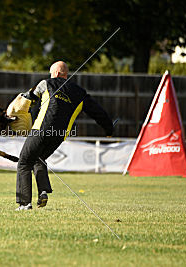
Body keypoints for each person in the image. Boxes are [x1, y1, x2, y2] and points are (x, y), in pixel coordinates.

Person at [15, 61, 113, 210]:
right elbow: (97, 112)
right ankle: (43, 191)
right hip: (60, 135)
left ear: (54, 73)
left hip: (41, 129)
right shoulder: (80, 93)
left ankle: (24, 204)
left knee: (24, 162)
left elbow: (29, 98)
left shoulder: (46, 83)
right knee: (38, 158)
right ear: (65, 74)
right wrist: (109, 129)